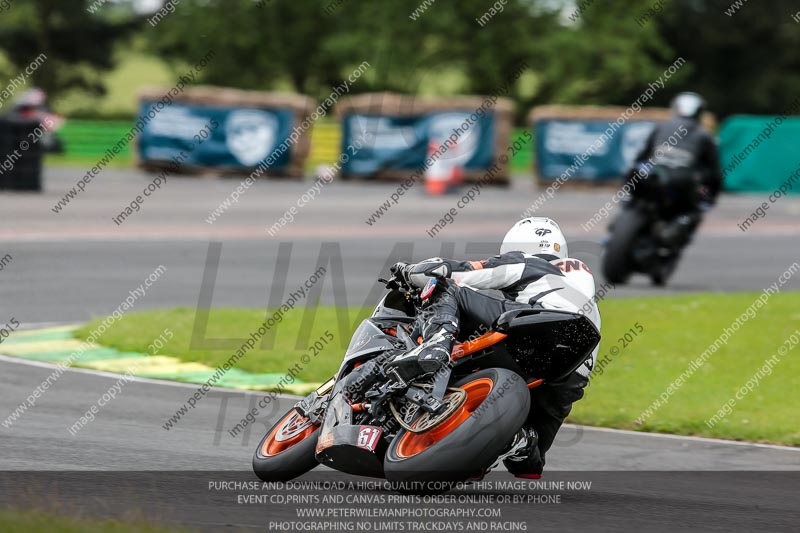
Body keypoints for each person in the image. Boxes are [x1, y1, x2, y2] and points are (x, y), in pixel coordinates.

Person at [388, 217, 601, 479]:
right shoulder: (578, 280)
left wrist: (412, 271)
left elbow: (463, 271)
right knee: (528, 466)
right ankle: (519, 443)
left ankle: (435, 344)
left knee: (448, 289)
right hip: (572, 370)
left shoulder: (528, 262)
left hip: (539, 328)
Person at [625, 92, 722, 248]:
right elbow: (714, 174)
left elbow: (641, 157)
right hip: (676, 182)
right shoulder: (705, 136)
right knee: (695, 209)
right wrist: (711, 197)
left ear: (676, 108)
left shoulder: (661, 127)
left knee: (633, 184)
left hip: (653, 176)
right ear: (699, 113)